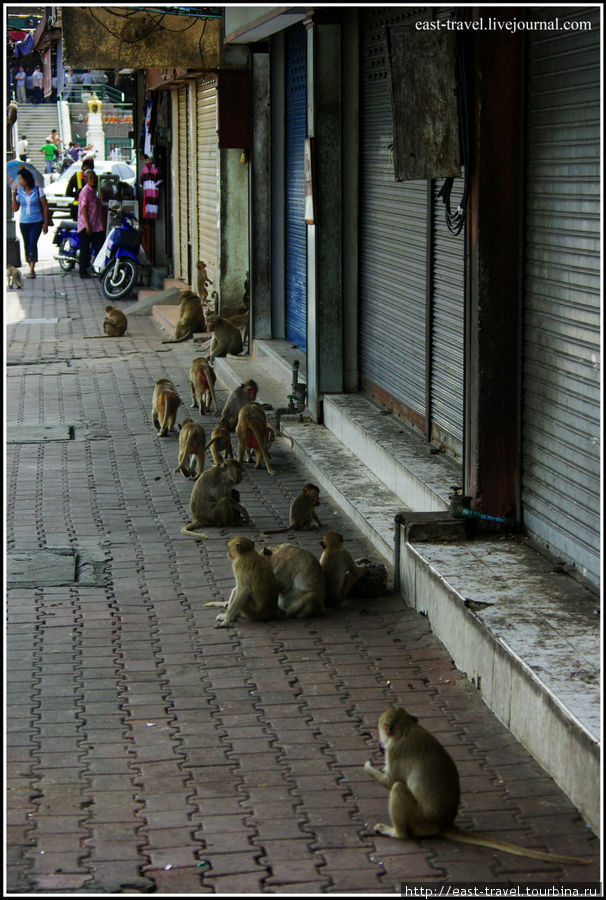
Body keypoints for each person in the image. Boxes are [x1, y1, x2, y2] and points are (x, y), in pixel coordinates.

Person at [11, 166, 49, 279]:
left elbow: (45, 207)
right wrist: (13, 196)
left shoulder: (38, 190)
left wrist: (45, 224)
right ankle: (30, 265)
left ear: (27, 179)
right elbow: (15, 209)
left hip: (36, 222)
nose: (19, 182)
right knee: (27, 245)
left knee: (32, 243)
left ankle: (32, 269)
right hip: (24, 222)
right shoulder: (19, 192)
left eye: (20, 179)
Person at [77, 169, 105, 279]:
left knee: (99, 246)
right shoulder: (85, 191)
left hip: (96, 224)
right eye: (90, 177)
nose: (93, 179)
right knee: (85, 249)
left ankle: (98, 268)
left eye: (94, 177)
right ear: (86, 179)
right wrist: (87, 226)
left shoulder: (95, 191)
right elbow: (83, 209)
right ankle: (83, 271)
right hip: (86, 225)